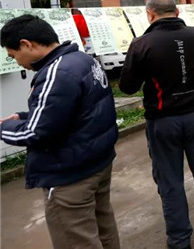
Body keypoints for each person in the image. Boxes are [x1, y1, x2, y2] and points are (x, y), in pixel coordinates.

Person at [120, 0, 194, 248]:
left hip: (163, 119)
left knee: (170, 180)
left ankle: (180, 239)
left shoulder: (142, 44)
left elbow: (128, 86)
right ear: (177, 12)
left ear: (150, 15)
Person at [0, 15, 120, 249]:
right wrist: (24, 116)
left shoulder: (56, 73)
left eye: (13, 56)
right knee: (103, 229)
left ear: (26, 44)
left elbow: (34, 133)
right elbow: (76, 111)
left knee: (77, 241)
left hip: (70, 175)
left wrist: (3, 128)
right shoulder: (82, 59)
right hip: (97, 162)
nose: (17, 63)